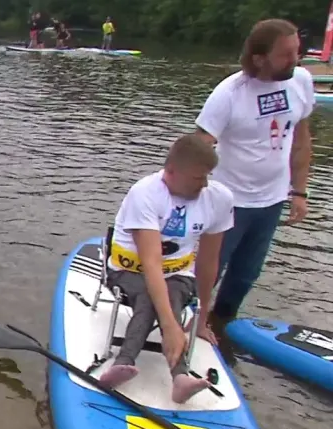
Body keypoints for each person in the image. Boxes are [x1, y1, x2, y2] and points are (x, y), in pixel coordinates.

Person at [98, 134, 235, 404]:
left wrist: (202, 318)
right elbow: (150, 263)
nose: (205, 184)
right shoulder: (145, 193)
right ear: (171, 172)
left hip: (178, 273)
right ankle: (127, 363)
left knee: (172, 291)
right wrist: (171, 326)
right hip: (129, 270)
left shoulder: (219, 198)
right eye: (198, 178)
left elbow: (209, 261)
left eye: (207, 176)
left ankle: (179, 380)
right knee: (152, 295)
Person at [195, 19, 314, 329]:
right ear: (260, 58)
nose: (296, 60)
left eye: (297, 52)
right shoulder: (229, 93)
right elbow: (198, 148)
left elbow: (301, 141)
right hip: (228, 201)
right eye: (286, 54)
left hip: (272, 201)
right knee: (210, 269)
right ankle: (189, 322)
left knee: (246, 274)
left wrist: (299, 192)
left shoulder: (300, 81)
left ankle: (220, 325)